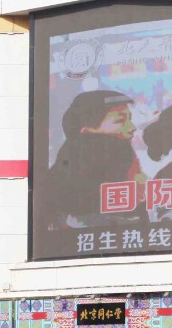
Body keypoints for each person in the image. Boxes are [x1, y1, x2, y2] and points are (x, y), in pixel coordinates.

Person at [47, 90, 143, 227]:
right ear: (86, 131)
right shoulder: (119, 155)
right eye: (119, 121)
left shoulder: (61, 170)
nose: (132, 127)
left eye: (129, 119)